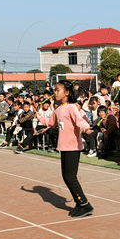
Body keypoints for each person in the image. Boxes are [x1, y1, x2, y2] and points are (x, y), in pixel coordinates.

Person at [35, 80, 95, 218]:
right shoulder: (58, 110)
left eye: (57, 90)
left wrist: (86, 129)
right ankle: (80, 203)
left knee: (70, 177)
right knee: (67, 177)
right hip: (64, 147)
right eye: (55, 90)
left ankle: (84, 204)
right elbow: (50, 123)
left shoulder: (72, 108)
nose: (55, 92)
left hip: (73, 146)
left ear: (67, 93)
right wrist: (38, 116)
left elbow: (80, 121)